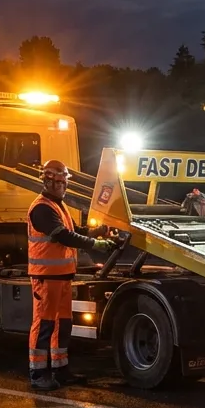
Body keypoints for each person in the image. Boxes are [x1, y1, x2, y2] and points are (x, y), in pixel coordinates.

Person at [26, 159, 118, 391]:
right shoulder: (42, 208)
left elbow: (75, 231)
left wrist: (99, 231)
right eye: (60, 182)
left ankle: (60, 370)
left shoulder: (58, 206)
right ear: (48, 182)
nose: (63, 186)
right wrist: (96, 244)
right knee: (44, 325)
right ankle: (38, 374)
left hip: (62, 276)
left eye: (64, 182)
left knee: (62, 325)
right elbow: (64, 236)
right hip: (46, 277)